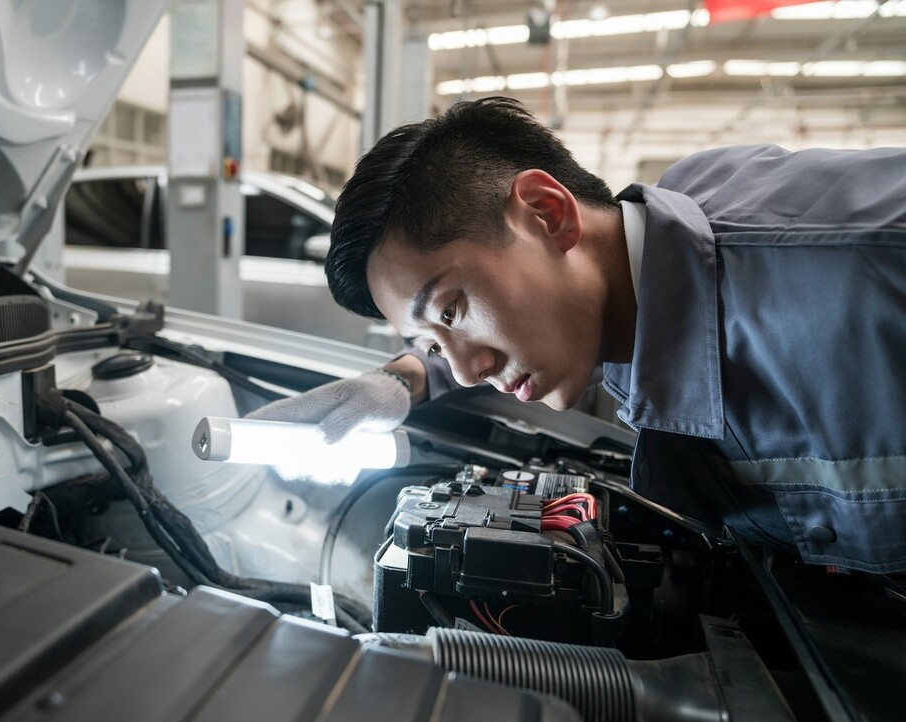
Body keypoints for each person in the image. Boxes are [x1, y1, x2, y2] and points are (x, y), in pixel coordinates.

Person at [249, 96, 906, 575]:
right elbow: (537, 304)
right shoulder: (635, 253)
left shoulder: (858, 274)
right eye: (429, 340)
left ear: (547, 211)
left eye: (449, 312)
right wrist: (403, 378)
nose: (470, 370)